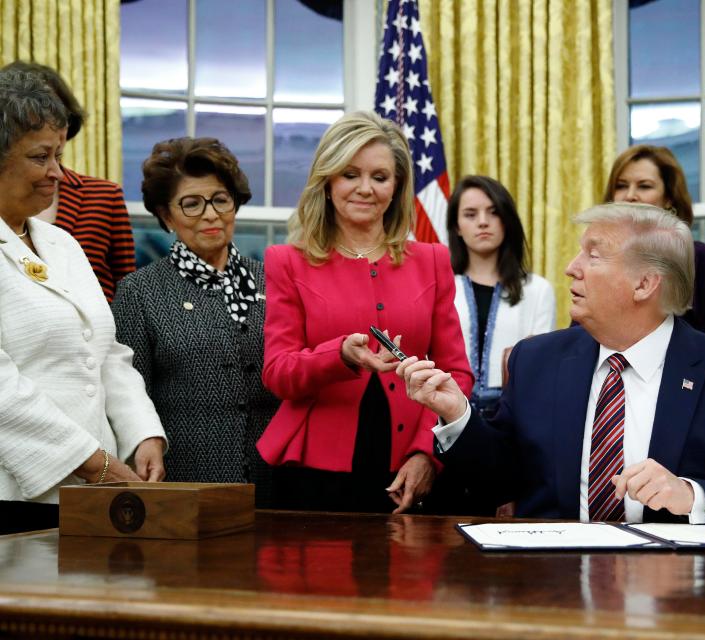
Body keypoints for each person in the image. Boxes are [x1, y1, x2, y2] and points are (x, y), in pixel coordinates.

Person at [399, 203, 705, 523]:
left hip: (678, 593)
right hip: (554, 589)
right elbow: (500, 478)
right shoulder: (536, 362)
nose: (571, 267)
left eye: (593, 255)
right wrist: (457, 414)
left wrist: (692, 495)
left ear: (645, 284)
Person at [256, 111, 473, 514]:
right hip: (313, 471)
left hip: (411, 464)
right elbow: (278, 373)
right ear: (328, 181)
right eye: (350, 174)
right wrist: (337, 356)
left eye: (379, 176)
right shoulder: (287, 261)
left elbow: (456, 373)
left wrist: (428, 452)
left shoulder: (432, 260)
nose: (365, 188)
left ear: (397, 186)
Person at [0, 69, 166, 535]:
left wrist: (142, 434)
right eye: (40, 157)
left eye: (59, 155)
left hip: (93, 492)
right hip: (16, 495)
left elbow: (105, 351)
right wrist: (96, 464)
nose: (57, 172)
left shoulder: (62, 244)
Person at [111, 137, 280, 507]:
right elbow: (129, 392)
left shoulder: (276, 281)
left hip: (277, 482)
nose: (210, 214)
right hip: (186, 482)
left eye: (221, 199)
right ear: (167, 216)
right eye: (191, 204)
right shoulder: (139, 291)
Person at [2, 61, 136, 301]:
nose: (46, 122)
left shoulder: (105, 196)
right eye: (31, 115)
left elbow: (128, 291)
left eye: (55, 113)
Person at [605, 145, 705, 340]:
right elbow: (580, 337)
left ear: (669, 198)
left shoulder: (698, 258)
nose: (629, 195)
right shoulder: (598, 258)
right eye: (621, 186)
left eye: (644, 186)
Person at [446, 175, 556, 417]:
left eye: (493, 212)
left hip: (516, 418)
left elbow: (541, 370)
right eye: (470, 214)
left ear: (506, 220)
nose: (483, 222)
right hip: (448, 418)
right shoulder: (441, 287)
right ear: (456, 226)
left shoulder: (537, 289)